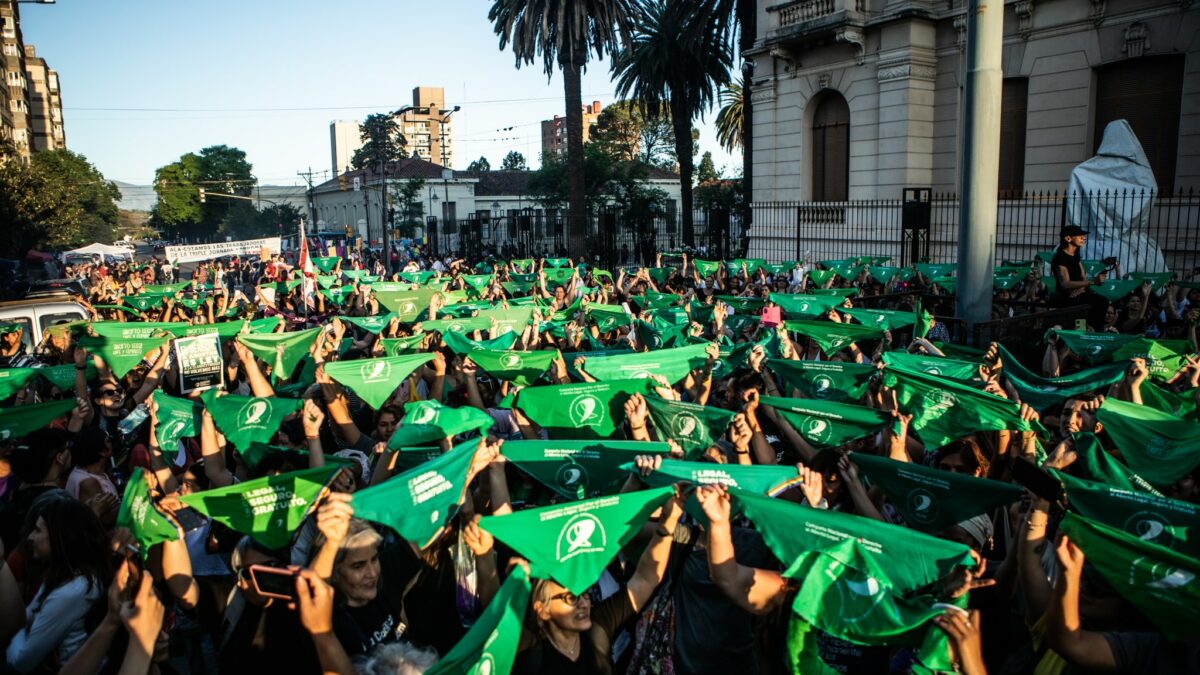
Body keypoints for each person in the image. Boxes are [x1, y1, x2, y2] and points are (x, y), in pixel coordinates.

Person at [2, 498, 110, 673]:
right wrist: (26, 624)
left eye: (37, 531)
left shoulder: (74, 590)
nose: (30, 537)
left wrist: (21, 629)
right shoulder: (61, 574)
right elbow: (27, 616)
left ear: (60, 538)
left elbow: (21, 661)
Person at [1050, 224, 1110, 329]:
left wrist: (1081, 288)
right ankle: (1095, 331)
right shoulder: (1060, 257)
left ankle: (1092, 330)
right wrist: (1092, 282)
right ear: (1068, 238)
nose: (1083, 238)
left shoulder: (1076, 256)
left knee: (1102, 301)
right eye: (1079, 235)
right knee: (1101, 301)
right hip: (1066, 296)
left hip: (1078, 294)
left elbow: (1083, 277)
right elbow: (1065, 283)